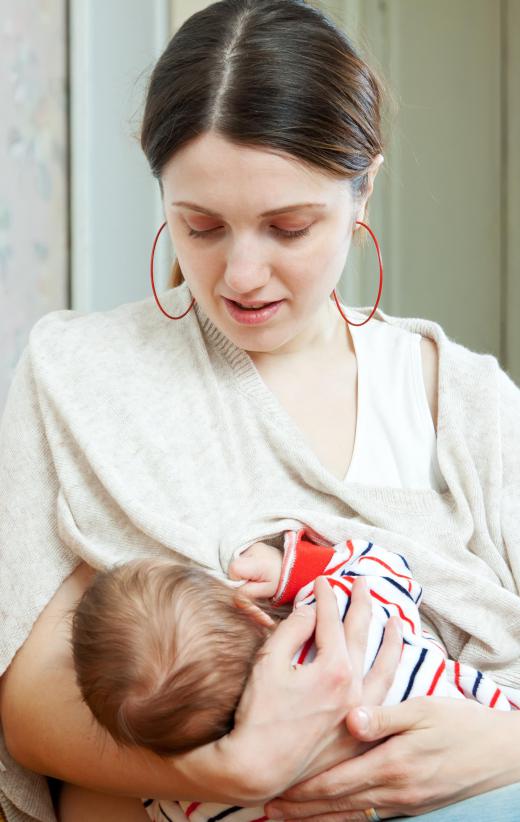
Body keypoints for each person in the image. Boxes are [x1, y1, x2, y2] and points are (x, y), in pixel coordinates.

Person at [1, 1, 520, 820]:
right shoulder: (78, 378)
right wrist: (228, 771)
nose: (242, 274)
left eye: (289, 226)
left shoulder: (469, 407)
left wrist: (503, 746)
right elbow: (26, 702)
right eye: (199, 226)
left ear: (363, 193)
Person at [69, 529, 516, 822]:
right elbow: (387, 566)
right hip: (489, 741)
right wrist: (292, 572)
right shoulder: (340, 613)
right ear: (249, 609)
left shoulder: (192, 803)